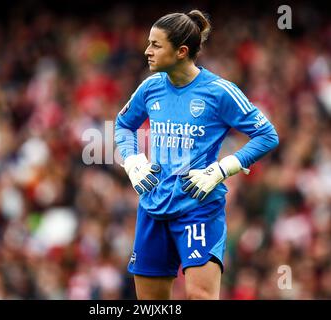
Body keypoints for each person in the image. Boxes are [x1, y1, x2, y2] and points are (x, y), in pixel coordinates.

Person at [114, 9, 279, 300]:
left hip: (198, 207)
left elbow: (267, 135)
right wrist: (131, 160)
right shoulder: (150, 87)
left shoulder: (219, 92)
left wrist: (222, 169)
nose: (146, 51)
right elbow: (123, 124)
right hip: (153, 206)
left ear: (181, 51)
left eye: (155, 45)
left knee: (199, 297)